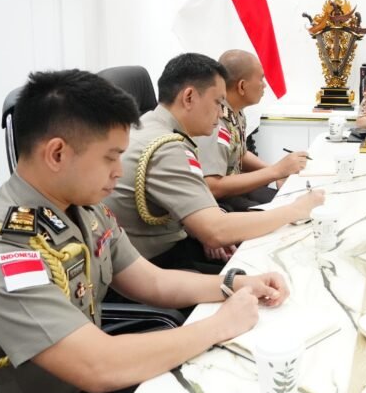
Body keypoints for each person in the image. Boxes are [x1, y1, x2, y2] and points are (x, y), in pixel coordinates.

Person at [0, 70, 285, 393]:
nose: (119, 172)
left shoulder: (83, 208)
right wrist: (220, 326)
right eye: (110, 158)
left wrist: (232, 283)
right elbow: (97, 366)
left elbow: (152, 281)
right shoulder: (3, 252)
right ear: (57, 153)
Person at [105, 53, 323, 272]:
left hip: (165, 248)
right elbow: (216, 231)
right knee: (271, 269)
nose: (220, 113)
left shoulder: (148, 124)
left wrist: (204, 230)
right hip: (153, 265)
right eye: (217, 102)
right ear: (189, 97)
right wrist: (295, 210)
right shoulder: (167, 147)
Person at [195, 49, 308, 213]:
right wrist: (275, 171)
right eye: (261, 79)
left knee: (293, 198)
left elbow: (239, 154)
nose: (265, 85)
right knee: (288, 211)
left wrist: (278, 171)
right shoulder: (215, 122)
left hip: (234, 189)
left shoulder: (235, 111)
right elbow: (212, 186)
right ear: (242, 86)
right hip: (217, 203)